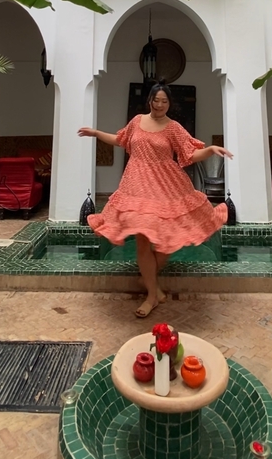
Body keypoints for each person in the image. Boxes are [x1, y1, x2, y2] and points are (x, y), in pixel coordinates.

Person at [78, 82, 233, 318]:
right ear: (150, 100)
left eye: (164, 101)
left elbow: (189, 155)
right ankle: (152, 295)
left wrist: (210, 149)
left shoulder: (173, 128)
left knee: (167, 239)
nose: (160, 105)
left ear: (169, 104)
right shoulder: (137, 121)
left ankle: (148, 280)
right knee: (142, 241)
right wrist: (96, 133)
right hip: (137, 186)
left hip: (166, 185)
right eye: (156, 100)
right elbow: (120, 140)